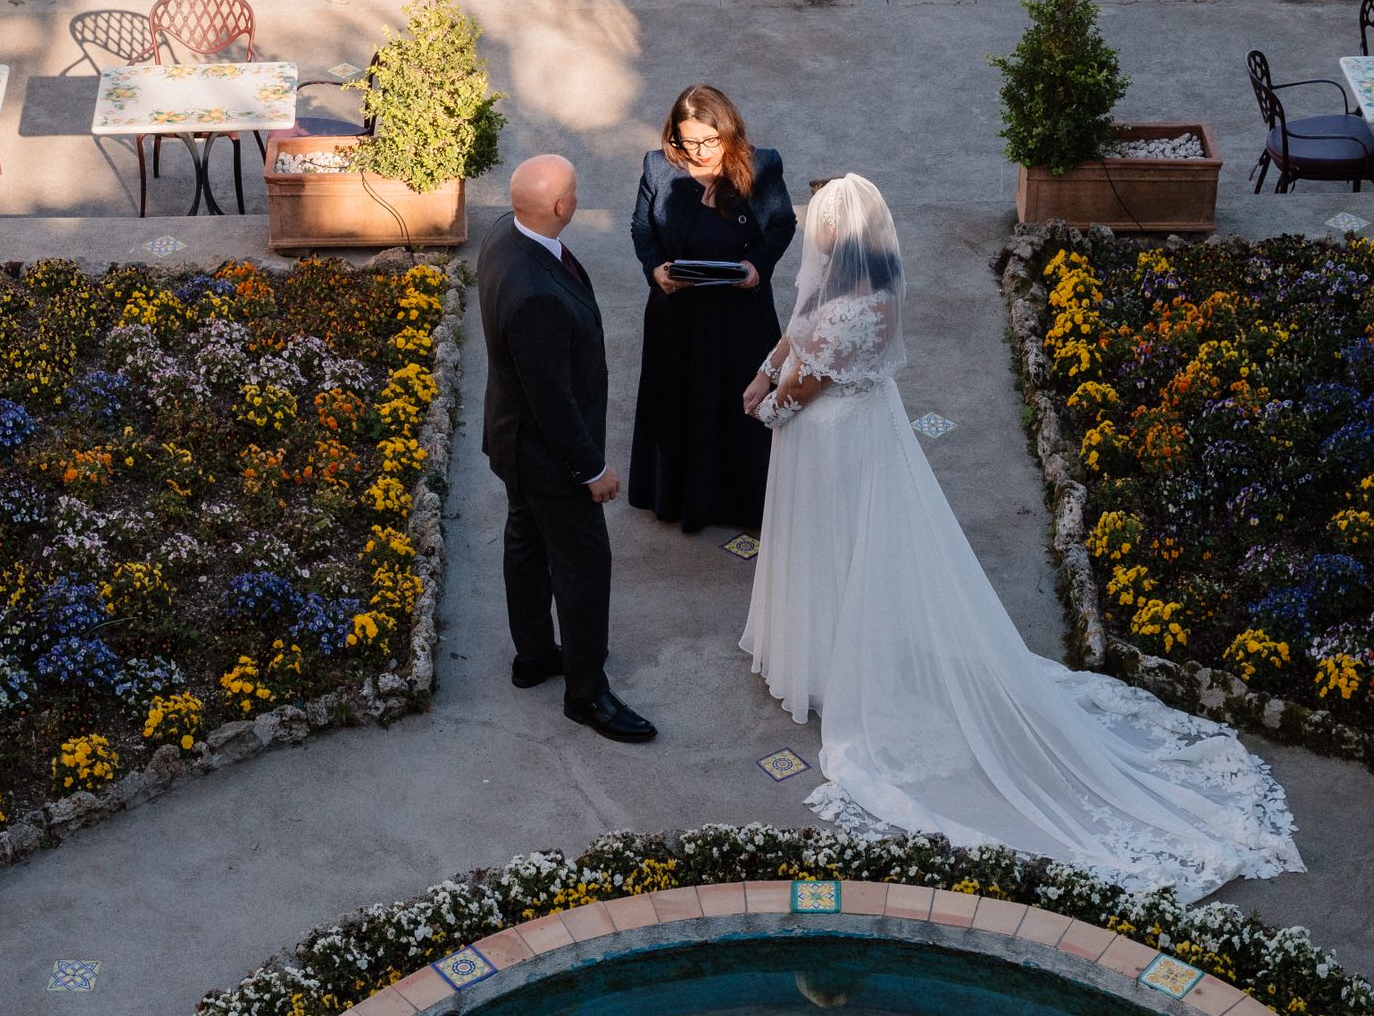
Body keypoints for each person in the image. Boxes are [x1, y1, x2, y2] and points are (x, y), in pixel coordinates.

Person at [738, 174, 1301, 898]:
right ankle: (833, 645)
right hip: (866, 433)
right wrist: (765, 370)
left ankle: (834, 660)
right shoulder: (870, 288)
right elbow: (796, 331)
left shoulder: (847, 314)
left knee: (836, 552)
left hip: (834, 445)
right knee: (855, 554)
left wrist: (766, 410)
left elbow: (801, 390)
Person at [476, 154, 656, 743]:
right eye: (575, 191)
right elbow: (552, 399)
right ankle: (586, 693)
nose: (578, 196)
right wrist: (593, 469)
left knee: (525, 542)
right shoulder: (535, 295)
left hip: (511, 442)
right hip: (550, 459)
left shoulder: (507, 233)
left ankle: (533, 657)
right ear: (560, 208)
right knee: (584, 566)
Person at [627, 85, 796, 533]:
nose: (699, 152)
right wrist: (655, 270)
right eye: (688, 142)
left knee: (740, 404)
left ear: (728, 131)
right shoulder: (658, 167)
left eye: (709, 141)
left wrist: (758, 267)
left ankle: (743, 503)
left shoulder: (762, 166)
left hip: (739, 316)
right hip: (677, 316)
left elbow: (782, 223)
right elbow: (641, 229)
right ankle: (680, 500)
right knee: (678, 404)